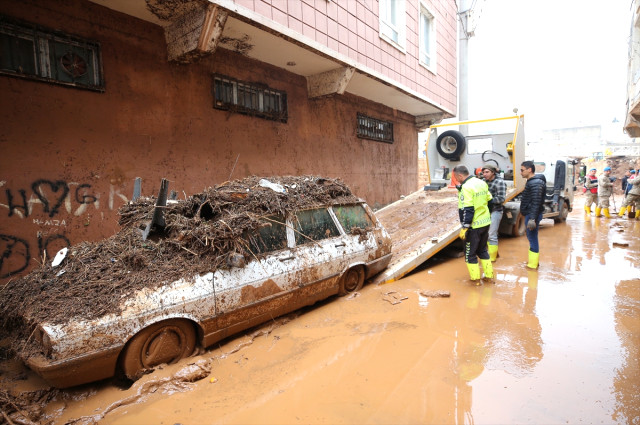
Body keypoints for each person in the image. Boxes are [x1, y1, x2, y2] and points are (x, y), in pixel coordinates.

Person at [453, 165, 494, 284]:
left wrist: (465, 227)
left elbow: (469, 209)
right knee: (482, 250)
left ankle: (475, 281)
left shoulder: (466, 187)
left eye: (456, 177)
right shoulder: (480, 182)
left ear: (460, 175)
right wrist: (487, 215)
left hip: (474, 226)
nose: (456, 180)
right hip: (485, 222)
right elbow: (490, 201)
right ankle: (489, 276)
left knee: (469, 254)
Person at [519, 161, 546, 269]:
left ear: (529, 169)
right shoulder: (532, 182)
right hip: (531, 213)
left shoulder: (535, 183)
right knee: (532, 237)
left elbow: (536, 201)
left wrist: (532, 219)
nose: (520, 173)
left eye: (522, 170)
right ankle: (533, 262)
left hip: (532, 214)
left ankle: (533, 264)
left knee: (532, 238)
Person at [481, 164, 506, 261]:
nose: (484, 174)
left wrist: (489, 200)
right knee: (486, 234)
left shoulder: (499, 182)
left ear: (493, 172)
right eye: (483, 172)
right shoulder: (483, 182)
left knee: (492, 234)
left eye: (487, 172)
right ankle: (493, 253)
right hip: (485, 211)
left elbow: (501, 198)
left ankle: (492, 258)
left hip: (496, 210)